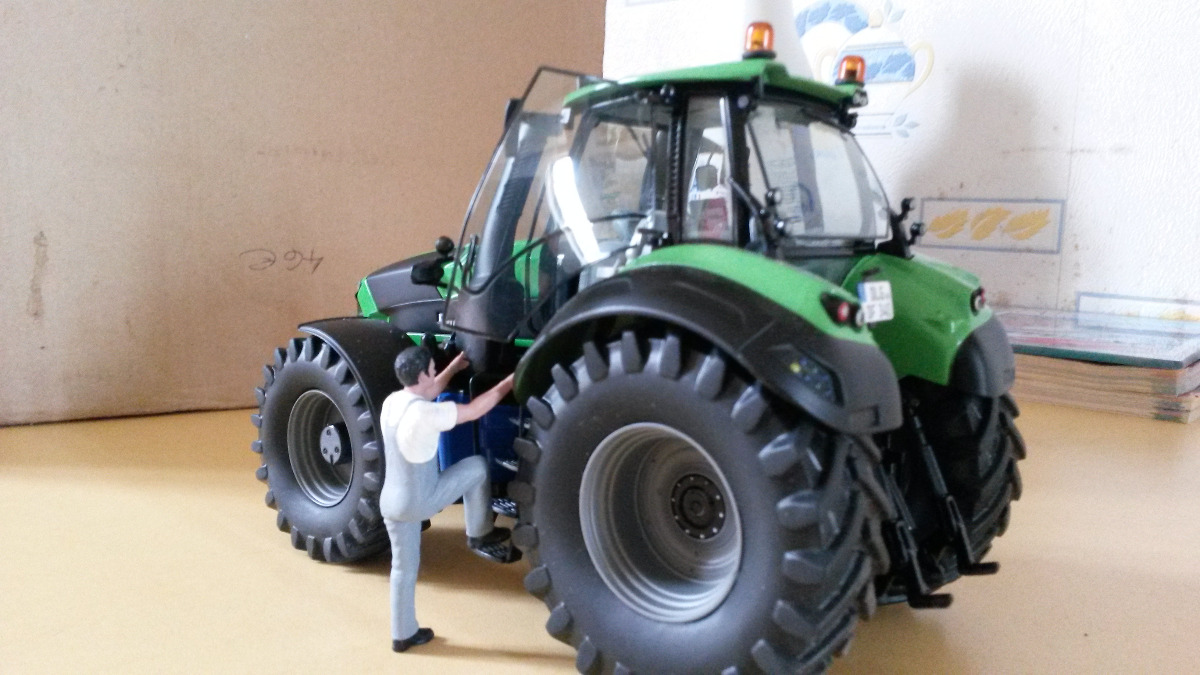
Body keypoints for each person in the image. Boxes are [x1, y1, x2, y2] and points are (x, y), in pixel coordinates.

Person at [380, 345, 520, 653]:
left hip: (392, 502)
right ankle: (479, 532)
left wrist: (453, 368)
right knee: (478, 467)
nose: (434, 375)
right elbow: (475, 411)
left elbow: (428, 390)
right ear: (421, 375)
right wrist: (508, 382)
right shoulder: (425, 413)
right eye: (432, 371)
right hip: (422, 499)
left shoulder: (393, 402)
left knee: (403, 569)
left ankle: (402, 634)